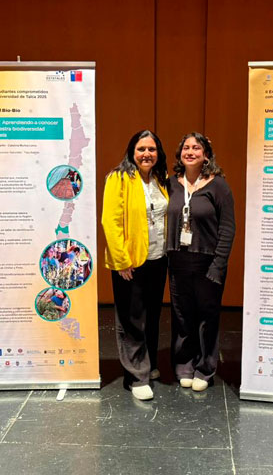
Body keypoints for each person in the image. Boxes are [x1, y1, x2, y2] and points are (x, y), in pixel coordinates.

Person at [101, 130, 169, 401]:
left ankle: (148, 364)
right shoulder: (118, 178)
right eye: (141, 149)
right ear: (132, 152)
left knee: (151, 316)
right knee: (131, 320)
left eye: (152, 149)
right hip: (130, 262)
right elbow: (110, 221)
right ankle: (135, 376)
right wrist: (121, 261)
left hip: (157, 258)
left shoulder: (159, 179)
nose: (146, 154)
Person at [166, 132, 235, 392]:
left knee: (207, 317)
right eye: (186, 147)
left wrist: (219, 265)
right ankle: (184, 364)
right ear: (180, 154)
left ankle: (205, 369)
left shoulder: (219, 186)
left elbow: (227, 229)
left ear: (206, 155)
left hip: (208, 263)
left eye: (196, 148)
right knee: (182, 316)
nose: (191, 152)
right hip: (178, 262)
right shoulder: (171, 184)